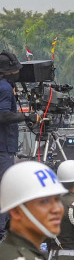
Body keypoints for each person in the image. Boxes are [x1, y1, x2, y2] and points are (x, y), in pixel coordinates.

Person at [0, 52, 38, 234]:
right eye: (14, 70)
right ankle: (2, 234)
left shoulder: (6, 87)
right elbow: (3, 115)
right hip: (3, 148)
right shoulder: (5, 88)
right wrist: (26, 116)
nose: (17, 73)